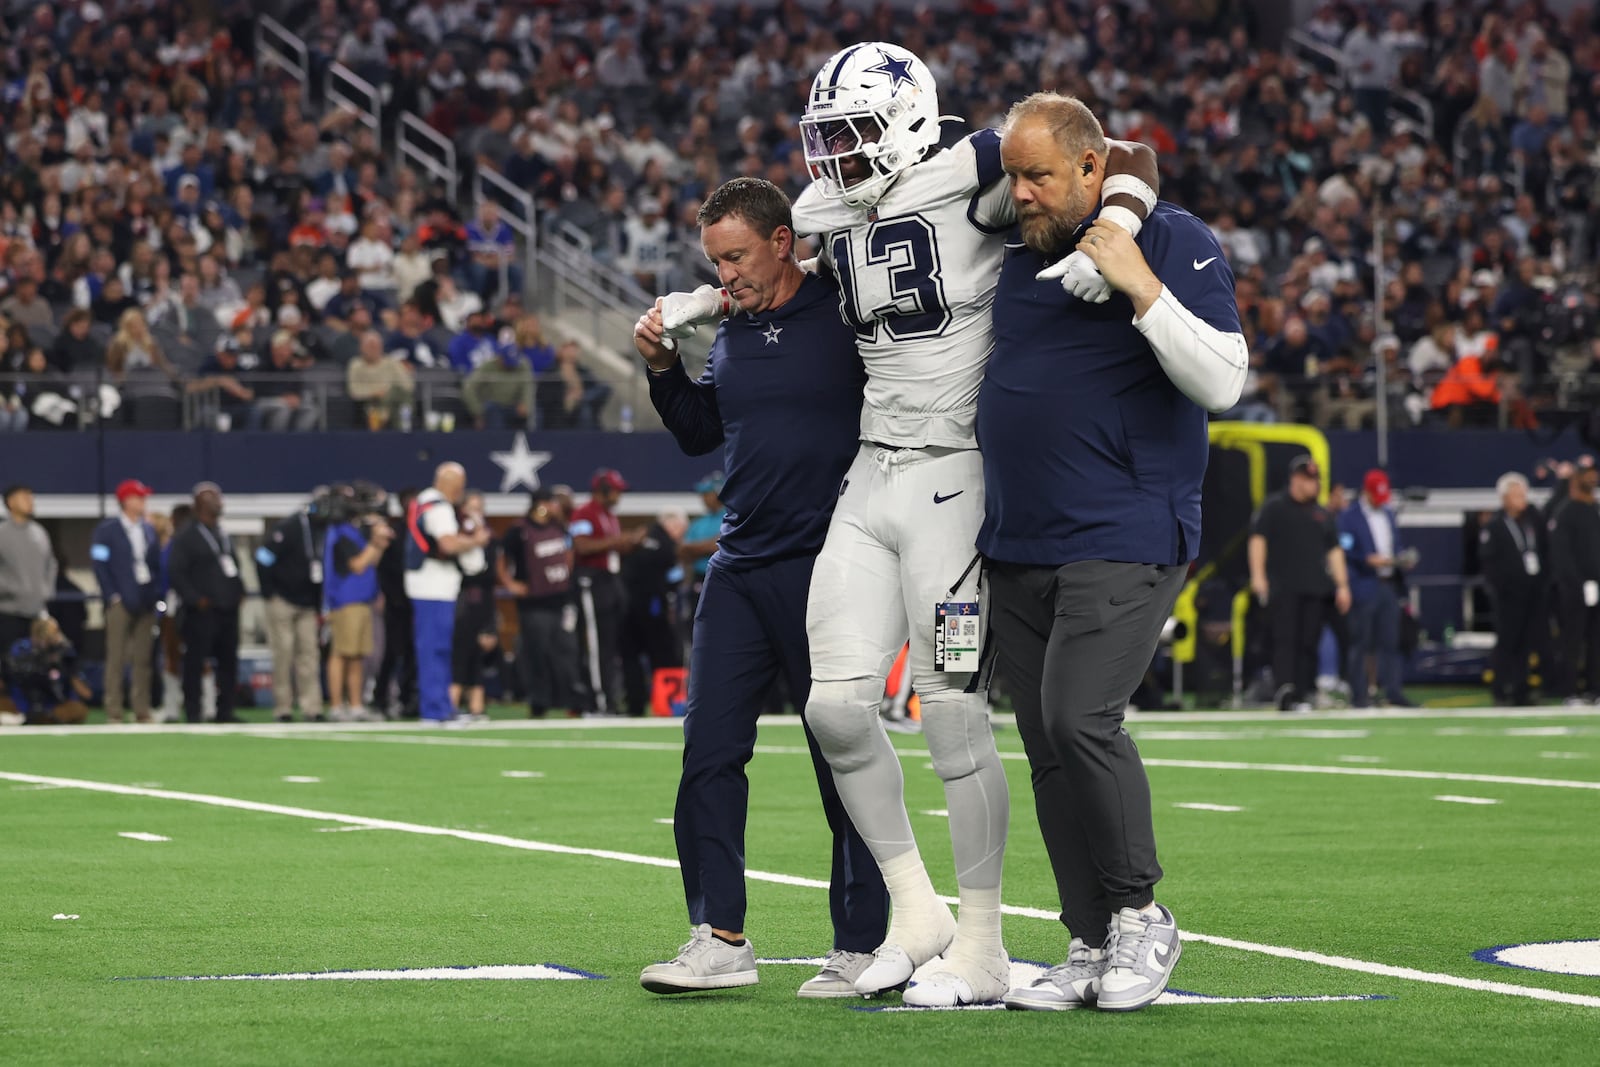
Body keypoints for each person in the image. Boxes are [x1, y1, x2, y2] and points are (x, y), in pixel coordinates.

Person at [772, 43, 1153, 1006]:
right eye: (827, 137)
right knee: (835, 706)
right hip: (872, 469)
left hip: (956, 476)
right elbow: (781, 255)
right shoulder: (823, 206)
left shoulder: (970, 168)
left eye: (854, 134)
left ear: (904, 121)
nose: (836, 157)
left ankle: (982, 943)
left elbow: (1130, 152)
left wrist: (1112, 227)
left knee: (949, 710)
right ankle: (917, 913)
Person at [979, 92, 1246, 1013]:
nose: (1021, 193)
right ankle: (1089, 936)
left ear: (1093, 171)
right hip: (1017, 536)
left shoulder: (1169, 236)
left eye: (1040, 175)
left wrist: (1139, 280)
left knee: (1080, 717)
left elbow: (1223, 379)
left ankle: (1141, 913)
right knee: (1047, 746)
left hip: (1124, 528)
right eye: (1014, 174)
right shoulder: (1017, 238)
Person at [631, 176, 887, 997]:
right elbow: (705, 429)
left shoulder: (849, 310)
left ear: (785, 241)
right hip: (739, 564)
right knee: (708, 750)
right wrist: (664, 368)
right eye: (714, 260)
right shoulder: (732, 327)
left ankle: (862, 942)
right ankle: (718, 935)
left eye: (737, 256)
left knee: (841, 756)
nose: (725, 274)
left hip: (831, 562)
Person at [1249, 455, 1352, 712]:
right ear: (1295, 479)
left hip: (1316, 588)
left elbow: (1334, 550)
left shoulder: (1321, 514)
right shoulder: (1274, 507)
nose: (1314, 485)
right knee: (1286, 640)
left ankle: (1306, 691)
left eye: (1316, 479)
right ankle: (1286, 691)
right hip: (1284, 587)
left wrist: (1342, 584)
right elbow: (1258, 541)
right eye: (1309, 479)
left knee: (1309, 641)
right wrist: (1258, 576)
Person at [404, 463, 489, 723]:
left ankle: (442, 705)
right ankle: (434, 709)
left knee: (438, 648)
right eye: (459, 486)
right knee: (433, 649)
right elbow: (448, 543)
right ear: (452, 484)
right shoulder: (438, 506)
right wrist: (477, 541)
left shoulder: (424, 501)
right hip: (433, 586)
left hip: (432, 585)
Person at [165, 482, 245, 724]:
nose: (219, 503)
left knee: (228, 661)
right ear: (199, 504)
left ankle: (225, 711)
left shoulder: (222, 534)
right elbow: (176, 572)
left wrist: (239, 591)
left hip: (227, 609)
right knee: (195, 662)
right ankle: (193, 711)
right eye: (213, 499)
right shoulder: (187, 536)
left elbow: (233, 565)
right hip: (201, 611)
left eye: (219, 498)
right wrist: (194, 598)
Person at [1339, 469, 1417, 708]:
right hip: (1364, 583)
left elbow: (1395, 545)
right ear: (1366, 492)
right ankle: (1360, 696)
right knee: (1360, 642)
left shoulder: (1388, 515)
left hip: (1388, 585)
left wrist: (1401, 560)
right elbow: (1344, 548)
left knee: (1390, 642)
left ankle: (1394, 692)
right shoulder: (1349, 517)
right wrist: (1366, 558)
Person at [498, 488, 578, 719]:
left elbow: (569, 550)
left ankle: (569, 700)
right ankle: (539, 702)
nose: (556, 506)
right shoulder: (519, 530)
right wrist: (510, 584)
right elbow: (501, 558)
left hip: (559, 600)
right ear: (540, 504)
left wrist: (565, 574)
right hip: (533, 603)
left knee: (564, 651)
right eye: (552, 502)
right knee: (537, 653)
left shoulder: (559, 526)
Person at [569, 469, 643, 716]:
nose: (618, 495)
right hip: (591, 580)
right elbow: (581, 545)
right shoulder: (584, 512)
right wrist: (617, 540)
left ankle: (608, 699)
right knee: (595, 643)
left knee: (609, 645)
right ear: (602, 490)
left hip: (610, 580)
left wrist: (629, 543)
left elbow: (611, 548)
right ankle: (597, 702)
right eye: (615, 490)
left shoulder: (609, 516)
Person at [90, 479, 162, 724]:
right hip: (120, 600)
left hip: (145, 599)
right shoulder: (107, 530)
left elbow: (153, 564)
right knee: (116, 657)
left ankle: (141, 708)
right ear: (126, 500)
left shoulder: (148, 529)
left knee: (143, 658)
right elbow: (99, 564)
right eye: (139, 497)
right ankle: (114, 710)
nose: (143, 502)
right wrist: (112, 595)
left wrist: (155, 594)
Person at [256, 496, 327, 723]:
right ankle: (283, 707)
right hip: (283, 600)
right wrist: (269, 593)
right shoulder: (290, 527)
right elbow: (262, 557)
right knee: (283, 654)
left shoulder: (324, 530)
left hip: (307, 603)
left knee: (309, 656)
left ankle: (312, 707)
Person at [324, 493, 394, 722]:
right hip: (346, 601)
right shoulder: (341, 533)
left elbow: (371, 561)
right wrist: (374, 541)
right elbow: (357, 565)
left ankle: (355, 705)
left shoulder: (354, 532)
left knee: (358, 656)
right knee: (341, 653)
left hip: (363, 600)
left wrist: (379, 543)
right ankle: (336, 706)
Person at [1478, 472, 1545, 706]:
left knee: (1527, 643)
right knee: (1507, 642)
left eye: (1523, 494)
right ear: (1504, 498)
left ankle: (1521, 689)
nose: (1522, 499)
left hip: (1532, 592)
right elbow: (1488, 562)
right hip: (1508, 596)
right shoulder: (1495, 525)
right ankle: (1501, 688)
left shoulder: (1532, 520)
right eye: (1517, 495)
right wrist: (1498, 590)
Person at [619, 509, 687, 717]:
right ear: (673, 526)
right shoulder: (666, 544)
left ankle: (635, 705)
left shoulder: (640, 538)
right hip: (654, 607)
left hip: (626, 606)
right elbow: (674, 578)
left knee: (630, 657)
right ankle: (669, 704)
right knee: (664, 654)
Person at [1546, 456, 1600, 704]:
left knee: (1596, 640)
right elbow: (1562, 555)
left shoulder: (1595, 510)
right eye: (1586, 473)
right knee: (1572, 640)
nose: (1592, 477)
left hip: (1597, 588)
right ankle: (1569, 690)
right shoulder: (1565, 512)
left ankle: (1594, 689)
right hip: (1572, 590)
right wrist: (1578, 584)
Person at [0, 485, 58, 685]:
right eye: (24, 497)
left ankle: (34, 707)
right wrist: (10, 588)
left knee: (37, 663)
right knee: (8, 662)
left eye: (31, 496)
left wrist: (46, 590)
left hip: (36, 613)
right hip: (8, 612)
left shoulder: (39, 532)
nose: (30, 501)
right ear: (10, 502)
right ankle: (8, 707)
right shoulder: (2, 533)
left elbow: (51, 564)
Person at [449, 490, 497, 724]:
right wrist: (472, 540)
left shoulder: (489, 540)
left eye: (480, 507)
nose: (476, 513)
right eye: (471, 507)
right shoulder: (454, 535)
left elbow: (490, 580)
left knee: (477, 654)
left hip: (481, 602)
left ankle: (476, 708)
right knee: (459, 653)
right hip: (460, 600)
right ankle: (450, 705)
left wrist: (490, 625)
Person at [374, 488, 420, 719]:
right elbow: (384, 569)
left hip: (419, 603)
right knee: (392, 653)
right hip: (396, 603)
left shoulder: (423, 531)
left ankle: (408, 698)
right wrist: (391, 596)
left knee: (414, 652)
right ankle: (380, 698)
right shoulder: (395, 532)